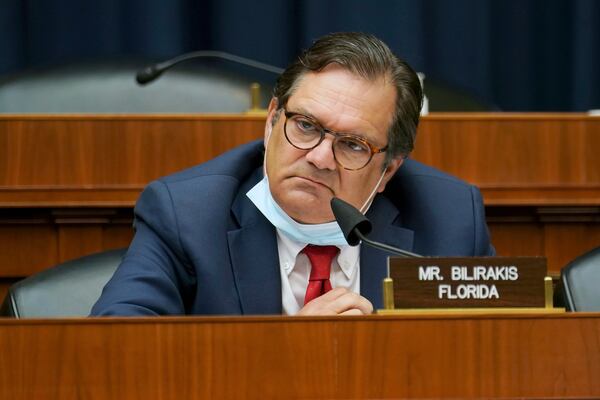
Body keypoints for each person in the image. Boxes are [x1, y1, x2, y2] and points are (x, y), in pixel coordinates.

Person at [91, 32, 494, 317]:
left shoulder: (450, 220)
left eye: (353, 145)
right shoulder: (187, 214)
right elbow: (120, 350)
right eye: (305, 125)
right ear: (270, 122)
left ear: (388, 169)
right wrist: (289, 352)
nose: (320, 158)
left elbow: (491, 359)